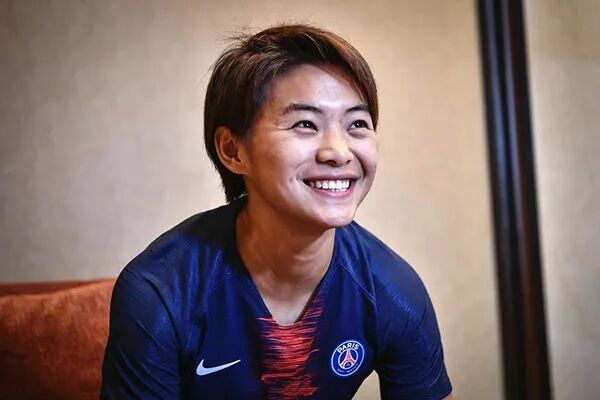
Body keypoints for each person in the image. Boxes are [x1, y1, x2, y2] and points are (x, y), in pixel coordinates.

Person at [101, 24, 453, 400]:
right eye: (305, 124)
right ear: (233, 150)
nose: (339, 152)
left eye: (357, 125)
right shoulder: (161, 292)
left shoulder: (392, 291)